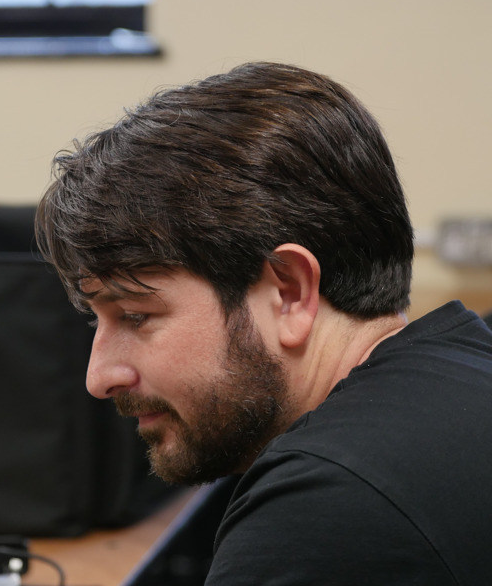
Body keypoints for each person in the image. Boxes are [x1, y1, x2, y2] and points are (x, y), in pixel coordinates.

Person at [35, 62, 492, 584]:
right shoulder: (467, 365)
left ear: (290, 292)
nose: (98, 378)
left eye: (137, 315)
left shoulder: (328, 508)